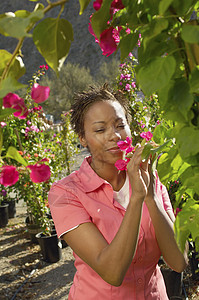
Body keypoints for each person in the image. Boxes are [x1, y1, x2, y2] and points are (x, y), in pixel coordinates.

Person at [48, 84, 188, 299]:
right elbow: (112, 272)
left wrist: (150, 197)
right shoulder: (66, 193)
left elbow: (178, 262)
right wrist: (137, 200)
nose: (114, 135)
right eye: (100, 129)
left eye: (120, 125)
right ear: (83, 138)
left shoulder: (149, 179)